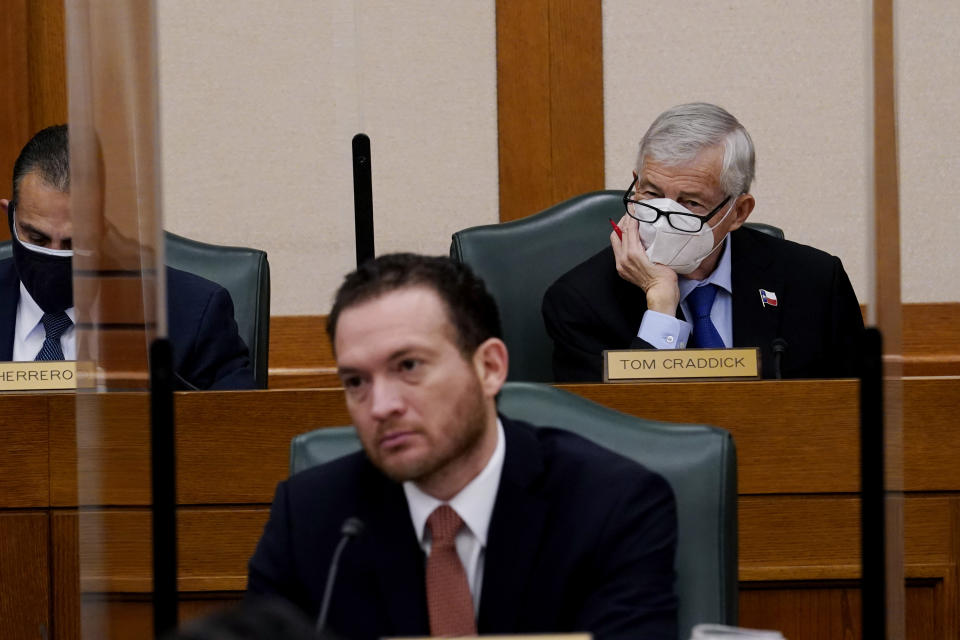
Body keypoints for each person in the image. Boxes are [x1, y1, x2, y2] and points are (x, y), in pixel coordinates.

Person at [247, 254, 677, 640]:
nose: (380, 407)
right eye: (356, 382)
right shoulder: (312, 518)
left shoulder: (611, 505)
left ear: (489, 368)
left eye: (409, 366)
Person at [542, 102, 864, 382]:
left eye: (691, 203)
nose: (664, 215)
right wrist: (661, 309)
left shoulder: (816, 282)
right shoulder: (581, 302)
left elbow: (857, 416)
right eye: (651, 194)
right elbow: (612, 433)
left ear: (738, 212)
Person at [0, 124, 256, 390]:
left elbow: (241, 425)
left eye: (75, 241)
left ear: (105, 227)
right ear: (10, 215)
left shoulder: (192, 314)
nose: (54, 254)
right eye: (37, 238)